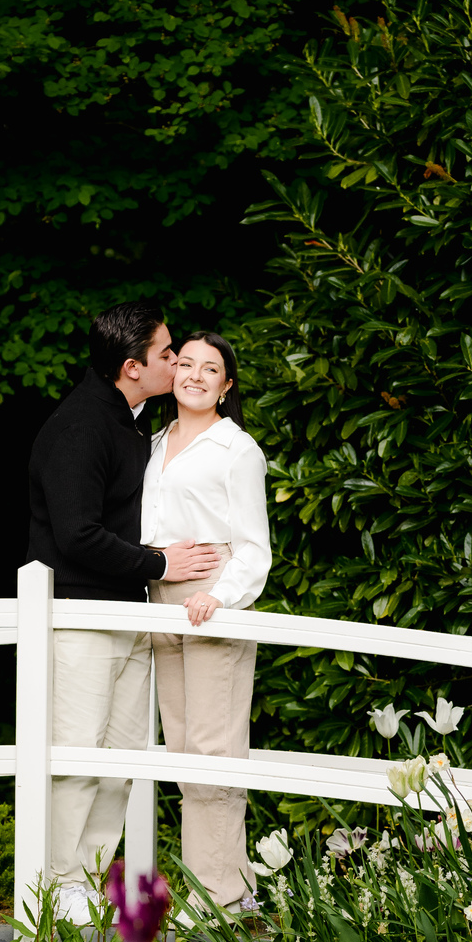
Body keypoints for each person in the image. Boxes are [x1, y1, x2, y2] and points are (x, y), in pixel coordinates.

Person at [27, 300, 219, 924]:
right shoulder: (78, 427)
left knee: (121, 757)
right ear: (133, 367)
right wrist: (161, 565)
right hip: (81, 617)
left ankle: (83, 883)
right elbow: (78, 535)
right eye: (167, 355)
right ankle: (51, 888)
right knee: (77, 754)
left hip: (129, 616)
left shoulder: (134, 425)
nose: (178, 362)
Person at [142, 330, 271, 912]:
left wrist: (219, 596)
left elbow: (253, 547)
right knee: (181, 751)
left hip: (209, 597)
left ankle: (217, 898)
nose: (193, 374)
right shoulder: (153, 441)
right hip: (158, 592)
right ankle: (222, 884)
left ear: (227, 385)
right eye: (184, 363)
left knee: (213, 749)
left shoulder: (236, 449)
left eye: (209, 368)